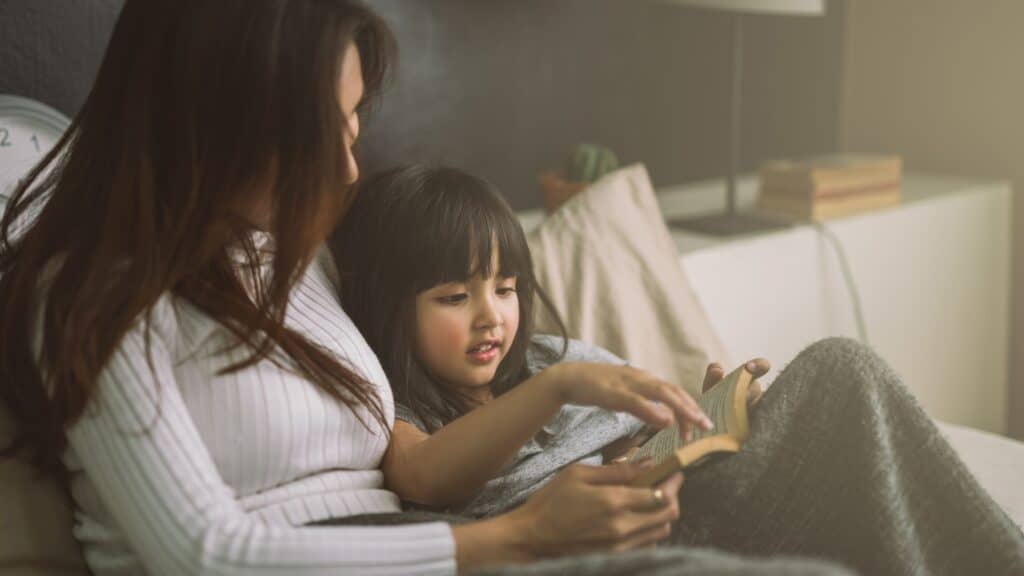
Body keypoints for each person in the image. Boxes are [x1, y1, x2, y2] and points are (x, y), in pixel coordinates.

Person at [0, 1, 1020, 575]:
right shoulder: (91, 295)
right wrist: (519, 536)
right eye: (333, 133)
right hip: (431, 560)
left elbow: (410, 456)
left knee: (833, 384)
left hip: (452, 532)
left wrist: (654, 433)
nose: (350, 170)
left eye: (357, 131)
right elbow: (205, 556)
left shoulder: (287, 260)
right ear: (227, 118)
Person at [333, 165, 734, 518]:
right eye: (456, 297)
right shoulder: (399, 413)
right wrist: (555, 388)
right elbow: (423, 475)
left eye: (505, 289)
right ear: (386, 308)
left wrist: (705, 425)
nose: (491, 317)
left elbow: (640, 431)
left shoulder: (554, 358)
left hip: (677, 497)